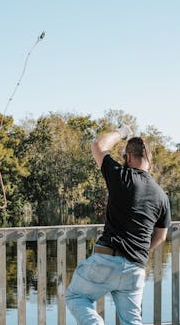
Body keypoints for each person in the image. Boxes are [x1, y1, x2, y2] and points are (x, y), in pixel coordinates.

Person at [66, 125, 171, 325]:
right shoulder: (162, 196)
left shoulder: (121, 176)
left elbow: (98, 145)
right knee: (131, 321)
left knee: (76, 296)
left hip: (106, 260)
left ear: (128, 158)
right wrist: (139, 250)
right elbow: (161, 236)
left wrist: (122, 132)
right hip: (135, 268)